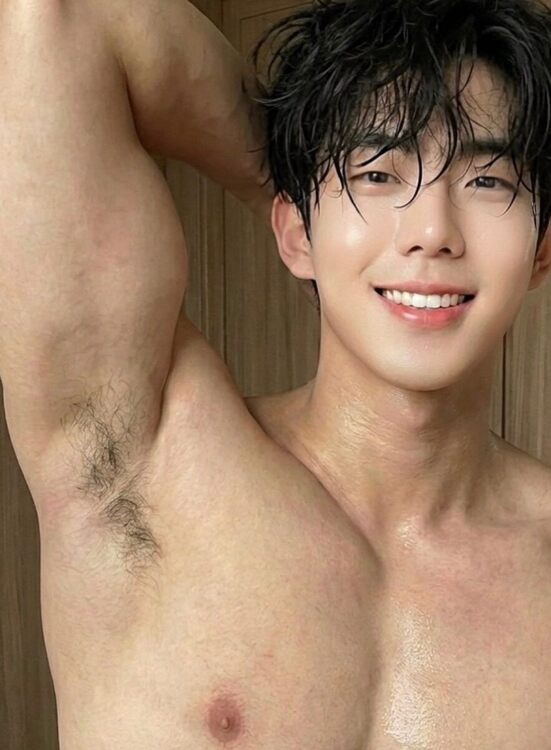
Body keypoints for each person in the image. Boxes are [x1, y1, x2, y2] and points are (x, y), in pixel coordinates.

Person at [2, 0, 551, 746]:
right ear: (291, 232)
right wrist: (310, 182)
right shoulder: (140, 467)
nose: (431, 233)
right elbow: (61, 14)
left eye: (487, 181)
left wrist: (341, 212)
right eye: (377, 172)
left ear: (541, 249)